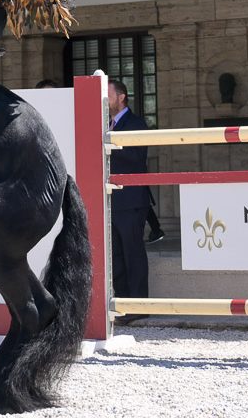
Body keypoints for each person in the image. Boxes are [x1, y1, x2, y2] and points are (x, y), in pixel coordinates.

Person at [108, 80, 151, 322]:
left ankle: (139, 305)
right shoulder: (104, 124)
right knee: (115, 257)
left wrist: (109, 142)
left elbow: (137, 158)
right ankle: (123, 303)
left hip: (131, 200)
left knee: (133, 253)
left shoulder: (136, 123)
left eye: (108, 95)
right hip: (111, 199)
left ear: (121, 97)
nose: (105, 100)